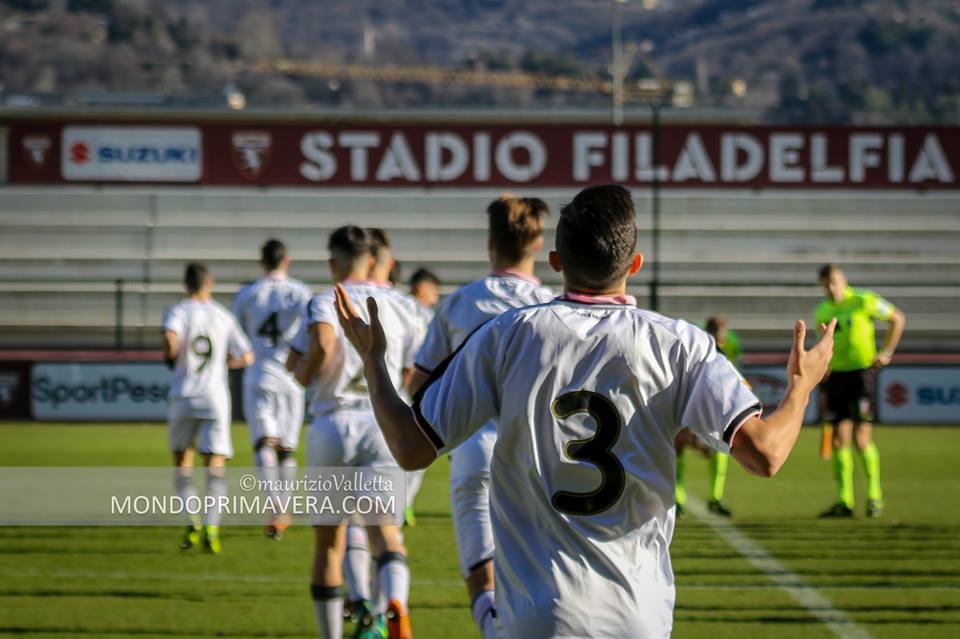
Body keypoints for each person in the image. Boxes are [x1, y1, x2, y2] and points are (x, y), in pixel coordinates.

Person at [335, 184, 836, 638]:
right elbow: (765, 455)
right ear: (635, 263)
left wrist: (375, 362)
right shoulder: (681, 344)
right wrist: (800, 386)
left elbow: (409, 448)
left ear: (556, 260)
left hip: (538, 616)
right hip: (638, 615)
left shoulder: (507, 335)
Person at [407, 195, 554, 639]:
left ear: (490, 242)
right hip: (537, 460)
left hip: (473, 453)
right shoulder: (552, 304)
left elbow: (418, 384)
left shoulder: (459, 303)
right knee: (539, 577)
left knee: (481, 575)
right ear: (539, 242)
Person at [287, 226, 415, 639]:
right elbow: (417, 367)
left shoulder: (325, 300)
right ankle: (388, 610)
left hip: (334, 422)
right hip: (384, 424)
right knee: (385, 533)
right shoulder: (400, 303)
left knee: (329, 542)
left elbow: (320, 345)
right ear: (373, 260)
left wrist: (304, 374)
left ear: (332, 262)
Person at [162, 262, 253, 554]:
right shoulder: (223, 315)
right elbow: (247, 356)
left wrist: (172, 355)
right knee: (215, 466)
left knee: (182, 461)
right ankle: (212, 527)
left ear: (185, 283)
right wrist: (228, 363)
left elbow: (170, 339)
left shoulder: (178, 311)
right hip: (215, 397)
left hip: (184, 395)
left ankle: (192, 522)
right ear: (209, 283)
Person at [231, 239, 311, 539]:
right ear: (286, 260)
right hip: (291, 377)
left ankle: (274, 505)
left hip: (259, 375)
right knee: (287, 449)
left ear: (261, 261)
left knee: (264, 444)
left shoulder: (247, 294)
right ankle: (284, 510)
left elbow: (235, 332)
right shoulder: (300, 293)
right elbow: (314, 328)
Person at [815, 264, 905, 518]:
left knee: (861, 438)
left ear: (843, 280)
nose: (831, 288)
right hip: (836, 377)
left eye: (834, 282)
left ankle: (874, 497)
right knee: (838, 440)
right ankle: (845, 501)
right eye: (826, 284)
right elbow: (823, 345)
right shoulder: (822, 311)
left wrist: (886, 352)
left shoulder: (864, 301)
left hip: (861, 376)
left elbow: (897, 318)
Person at [674, 315, 738, 518]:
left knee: (721, 448)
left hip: (712, 404)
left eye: (722, 341)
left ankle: (715, 498)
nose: (720, 344)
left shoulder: (732, 346)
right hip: (687, 401)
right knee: (678, 444)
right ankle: (676, 499)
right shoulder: (693, 346)